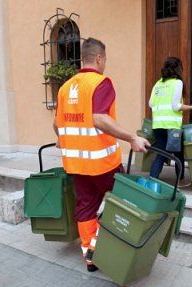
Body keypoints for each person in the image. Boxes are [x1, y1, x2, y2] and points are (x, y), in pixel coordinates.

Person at [53, 37, 150, 272]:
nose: (104, 63)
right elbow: (99, 119)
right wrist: (132, 138)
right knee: (123, 203)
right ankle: (120, 248)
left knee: (86, 205)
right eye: (104, 59)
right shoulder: (101, 82)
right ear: (98, 58)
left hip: (76, 164)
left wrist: (65, 140)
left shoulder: (66, 87)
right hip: (102, 163)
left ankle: (91, 256)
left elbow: (57, 124)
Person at [149, 57, 192, 182]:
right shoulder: (177, 82)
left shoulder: (158, 83)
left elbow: (150, 103)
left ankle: (151, 181)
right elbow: (176, 106)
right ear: (178, 69)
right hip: (172, 127)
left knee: (160, 155)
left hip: (158, 126)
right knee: (178, 154)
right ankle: (179, 181)